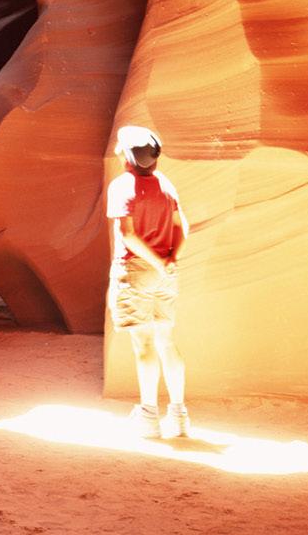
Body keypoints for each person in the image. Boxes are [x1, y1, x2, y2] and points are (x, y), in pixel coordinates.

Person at [106, 124, 190, 439]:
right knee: (167, 341)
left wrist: (155, 262)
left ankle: (149, 416)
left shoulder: (122, 185)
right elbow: (183, 226)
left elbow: (128, 234)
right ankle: (179, 415)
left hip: (136, 270)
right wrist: (170, 260)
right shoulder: (166, 184)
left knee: (143, 344)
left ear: (126, 155)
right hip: (166, 272)